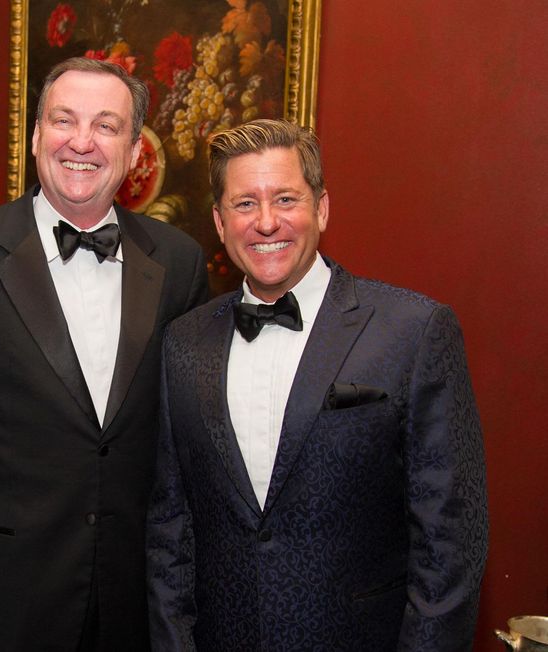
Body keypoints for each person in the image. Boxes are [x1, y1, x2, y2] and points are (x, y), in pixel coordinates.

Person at [146, 118, 488, 650]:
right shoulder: (183, 343)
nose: (265, 223)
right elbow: (171, 529)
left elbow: (449, 547)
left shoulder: (414, 331)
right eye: (243, 204)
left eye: (285, 199)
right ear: (218, 220)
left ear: (321, 208)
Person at [0, 57, 208, 652]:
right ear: (35, 136)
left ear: (135, 152)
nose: (82, 142)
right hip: (11, 594)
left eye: (106, 126)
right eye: (63, 120)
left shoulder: (180, 261)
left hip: (134, 595)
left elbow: (185, 437)